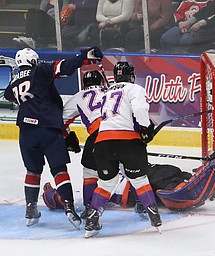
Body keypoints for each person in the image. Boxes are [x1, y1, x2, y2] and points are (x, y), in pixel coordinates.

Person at [3, 46, 104, 229]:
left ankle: (30, 209)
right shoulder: (40, 70)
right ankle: (69, 208)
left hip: (26, 132)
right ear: (34, 61)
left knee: (32, 171)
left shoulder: (12, 84)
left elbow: (10, 96)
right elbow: (63, 67)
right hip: (48, 128)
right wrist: (84, 57)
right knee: (59, 169)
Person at [43, 140, 215, 212]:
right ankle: (212, 170)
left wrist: (52, 195)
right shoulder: (101, 185)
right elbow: (60, 201)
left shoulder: (101, 179)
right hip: (142, 184)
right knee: (175, 192)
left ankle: (207, 176)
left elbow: (62, 201)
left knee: (171, 181)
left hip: (145, 179)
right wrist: (50, 193)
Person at [83, 61, 160, 238]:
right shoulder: (134, 89)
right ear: (131, 75)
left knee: (106, 183)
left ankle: (93, 219)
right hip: (128, 141)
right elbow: (140, 109)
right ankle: (153, 213)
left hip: (102, 142)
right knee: (139, 179)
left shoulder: (106, 92)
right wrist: (146, 129)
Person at [62, 70, 107, 219]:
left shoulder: (78, 96)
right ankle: (142, 203)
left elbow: (61, 121)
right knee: (130, 170)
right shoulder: (112, 91)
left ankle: (89, 207)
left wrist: (68, 137)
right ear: (101, 82)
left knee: (90, 170)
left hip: (97, 135)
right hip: (122, 131)